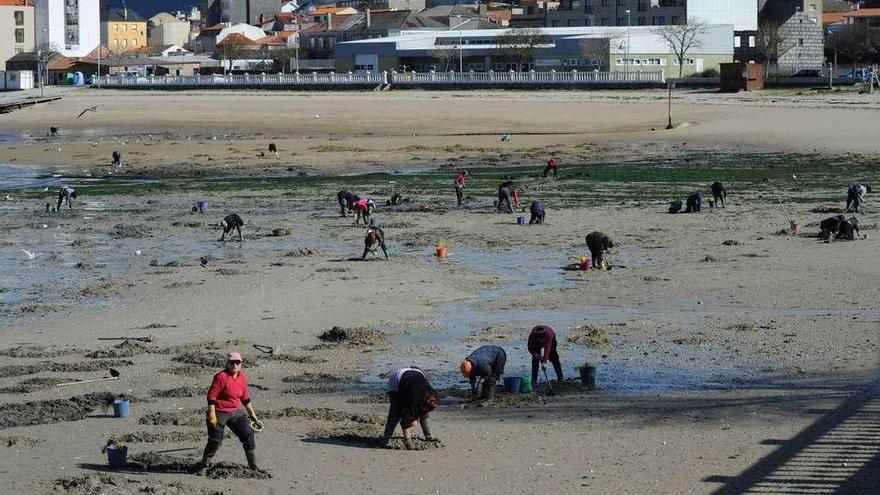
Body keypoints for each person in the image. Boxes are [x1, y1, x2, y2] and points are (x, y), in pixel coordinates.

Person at [196, 352, 264, 473]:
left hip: (235, 411)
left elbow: (245, 398)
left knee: (248, 434)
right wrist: (212, 415)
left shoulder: (242, 378)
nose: (235, 365)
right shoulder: (220, 377)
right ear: (227, 363)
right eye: (232, 362)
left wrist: (252, 415)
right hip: (219, 411)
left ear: (241, 364)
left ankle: (253, 466)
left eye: (237, 362)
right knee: (215, 440)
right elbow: (211, 396)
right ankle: (203, 465)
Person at [380, 367, 439, 449]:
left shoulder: (434, 395)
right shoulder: (413, 401)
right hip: (397, 380)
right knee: (395, 413)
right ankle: (385, 441)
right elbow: (404, 423)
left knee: (424, 414)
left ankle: (429, 436)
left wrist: (417, 417)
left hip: (416, 373)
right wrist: (408, 441)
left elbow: (424, 410)